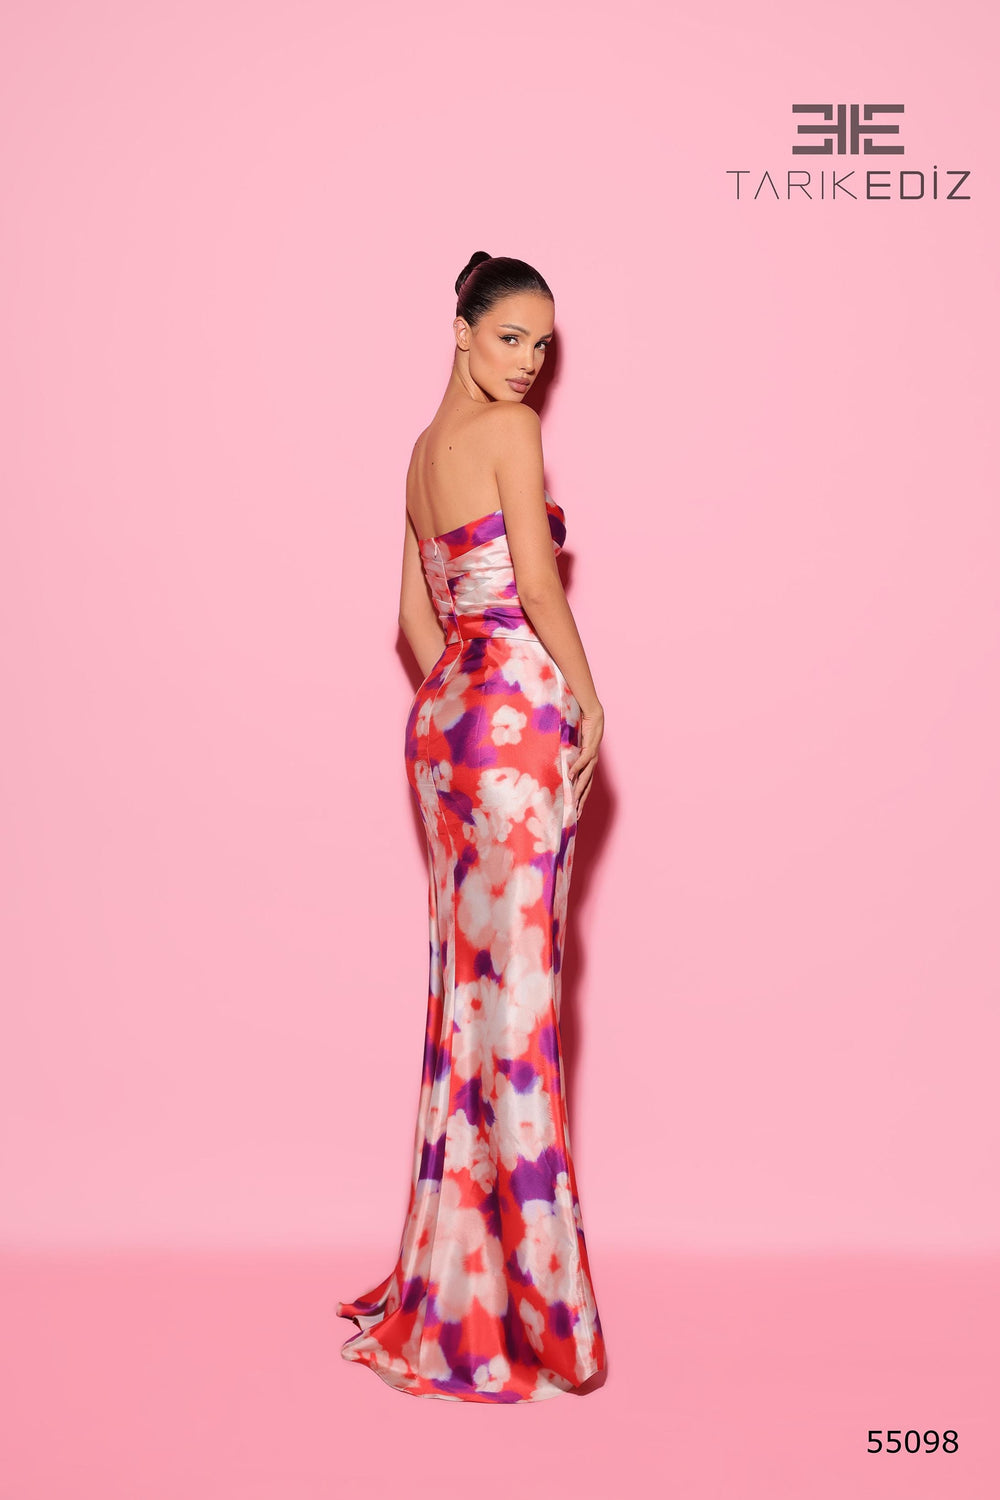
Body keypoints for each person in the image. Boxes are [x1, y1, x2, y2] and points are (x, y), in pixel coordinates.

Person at [336, 252, 607, 1401]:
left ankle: (458, 1286)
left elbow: (411, 616)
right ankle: (528, 1319)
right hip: (514, 716)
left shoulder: (418, 454)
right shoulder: (507, 434)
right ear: (461, 330)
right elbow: (537, 589)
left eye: (542, 346)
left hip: (444, 722)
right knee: (523, 1003)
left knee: (468, 999)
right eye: (510, 338)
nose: (528, 362)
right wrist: (585, 696)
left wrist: (458, 689)